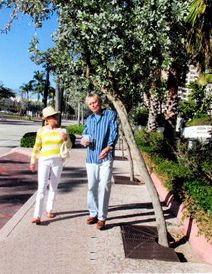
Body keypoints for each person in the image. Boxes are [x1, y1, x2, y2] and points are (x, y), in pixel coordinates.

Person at [81, 94, 118, 230]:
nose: (93, 105)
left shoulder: (110, 115)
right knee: (92, 187)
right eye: (90, 104)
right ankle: (93, 213)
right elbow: (84, 134)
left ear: (100, 102)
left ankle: (102, 217)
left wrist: (108, 148)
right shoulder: (89, 119)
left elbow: (114, 133)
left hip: (105, 157)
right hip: (91, 157)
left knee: (104, 186)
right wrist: (84, 140)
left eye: (95, 102)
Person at [30, 106, 71, 224]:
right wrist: (33, 161)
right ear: (47, 119)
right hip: (44, 160)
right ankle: (37, 215)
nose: (57, 117)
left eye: (56, 115)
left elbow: (69, 146)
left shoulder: (63, 131)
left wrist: (66, 139)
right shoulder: (41, 131)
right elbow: (37, 147)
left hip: (58, 161)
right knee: (41, 187)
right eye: (54, 116)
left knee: (53, 186)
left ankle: (49, 210)